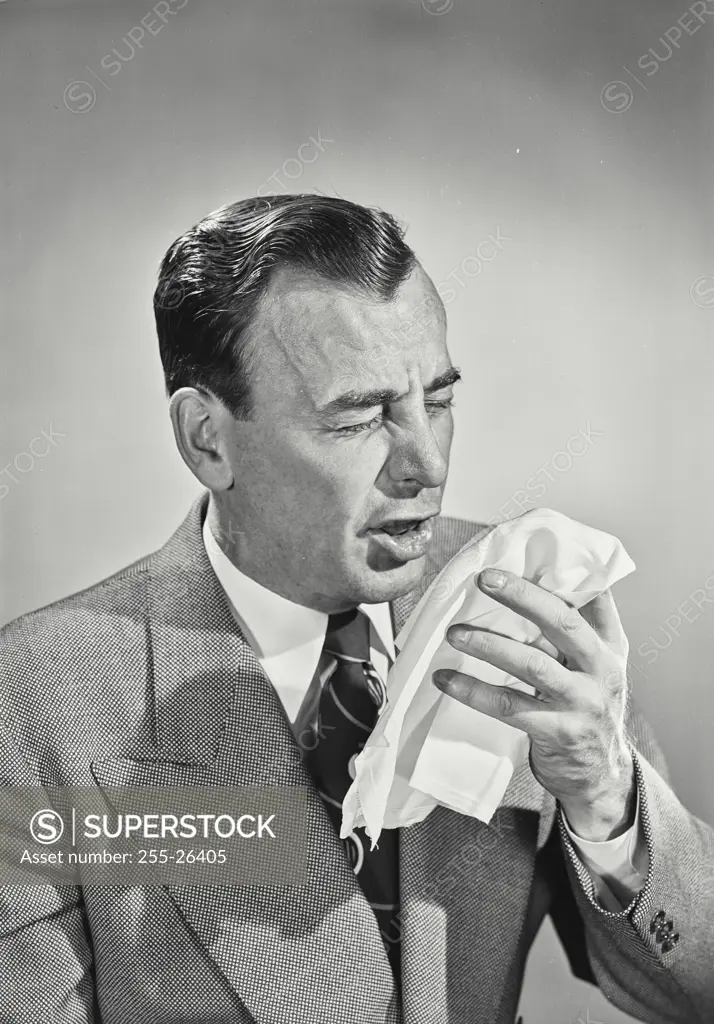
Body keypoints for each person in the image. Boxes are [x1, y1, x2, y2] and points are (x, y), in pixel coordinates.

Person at [0, 194, 711, 1024]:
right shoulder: (34, 701)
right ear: (207, 439)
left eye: (436, 402)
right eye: (360, 417)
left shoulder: (528, 611)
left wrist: (608, 799)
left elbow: (696, 989)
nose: (425, 464)